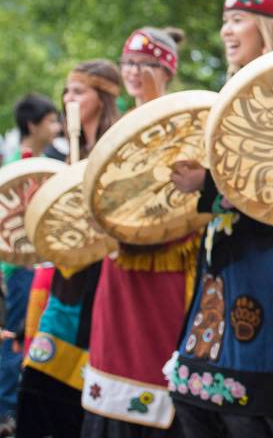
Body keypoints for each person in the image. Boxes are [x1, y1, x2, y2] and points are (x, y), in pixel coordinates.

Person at [168, 0, 273, 437]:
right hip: (225, 262)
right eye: (224, 22)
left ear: (266, 27)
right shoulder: (233, 91)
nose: (226, 32)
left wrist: (206, 183)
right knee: (195, 397)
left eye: (237, 20)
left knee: (254, 409)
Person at [81, 28, 196, 436]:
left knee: (155, 359)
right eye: (128, 63)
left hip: (167, 257)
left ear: (166, 69)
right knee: (112, 354)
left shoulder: (183, 119)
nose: (133, 72)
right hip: (120, 259)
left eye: (145, 64)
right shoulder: (120, 125)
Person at [18, 59, 122, 438]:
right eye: (66, 91)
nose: (68, 98)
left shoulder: (117, 150)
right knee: (36, 386)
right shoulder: (65, 155)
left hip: (104, 283)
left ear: (104, 97)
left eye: (78, 91)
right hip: (66, 285)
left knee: (80, 405)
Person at [0, 93, 62, 434]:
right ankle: (8, 411)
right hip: (19, 268)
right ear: (32, 125)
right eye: (51, 121)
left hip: (31, 267)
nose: (55, 127)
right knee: (16, 337)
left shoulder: (35, 159)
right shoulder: (18, 164)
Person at [8, 93, 60, 163]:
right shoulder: (11, 168)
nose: (58, 127)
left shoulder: (47, 163)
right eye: (51, 121)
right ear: (32, 126)